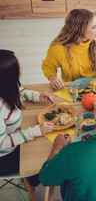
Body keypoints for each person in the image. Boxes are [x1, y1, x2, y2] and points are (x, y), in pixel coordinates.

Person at [0, 49, 54, 187]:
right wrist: (34, 132)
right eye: (18, 65)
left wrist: (36, 96)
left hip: (14, 142)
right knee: (47, 155)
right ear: (8, 74)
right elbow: (2, 143)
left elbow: (18, 90)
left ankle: (32, 181)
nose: (22, 67)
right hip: (4, 157)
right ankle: (33, 183)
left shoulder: (5, 86)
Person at [42, 9, 96, 90]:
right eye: (93, 27)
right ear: (79, 30)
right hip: (73, 89)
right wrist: (53, 78)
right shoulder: (58, 49)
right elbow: (48, 66)